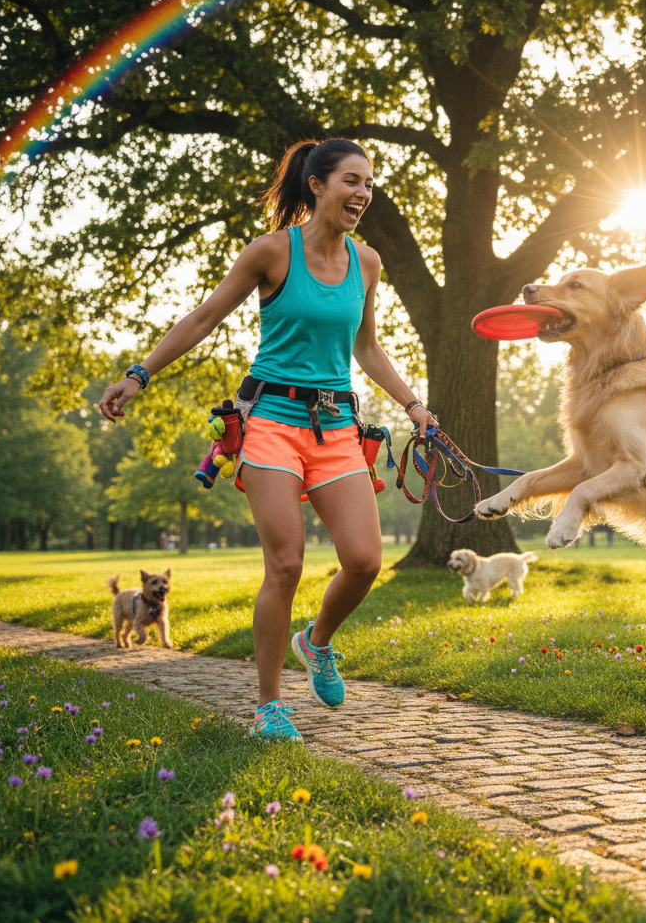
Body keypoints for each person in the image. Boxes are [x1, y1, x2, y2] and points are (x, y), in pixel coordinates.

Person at [98, 138, 438, 742]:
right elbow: (204, 317)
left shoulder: (368, 262)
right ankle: (268, 705)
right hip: (271, 423)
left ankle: (318, 641)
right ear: (317, 185)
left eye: (368, 183)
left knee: (363, 561)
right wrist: (138, 374)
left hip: (336, 427)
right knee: (285, 564)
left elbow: (366, 348)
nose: (363, 193)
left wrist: (413, 404)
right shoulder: (272, 252)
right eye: (351, 181)